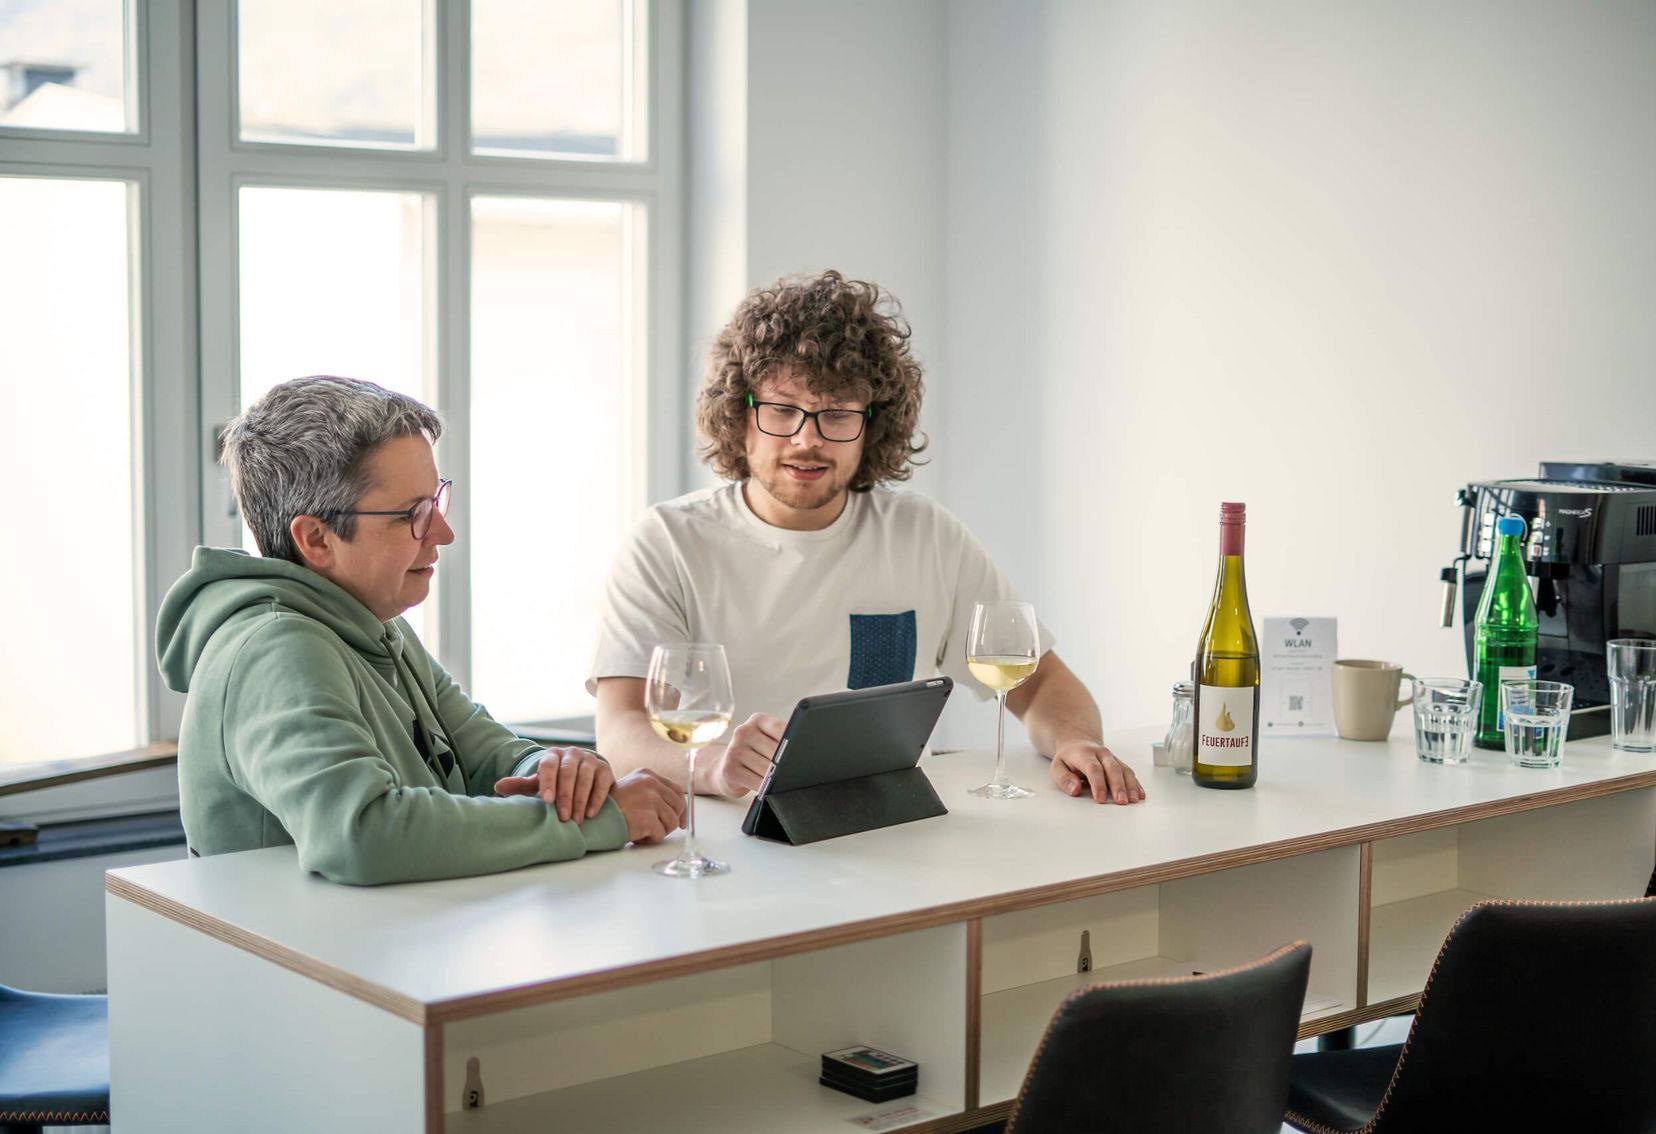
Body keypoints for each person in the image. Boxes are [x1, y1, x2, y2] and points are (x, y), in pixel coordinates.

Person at [590, 271, 1145, 806]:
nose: (808, 440)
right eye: (783, 411)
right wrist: (713, 768)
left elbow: (1041, 680)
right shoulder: (667, 542)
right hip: (728, 839)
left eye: (835, 415)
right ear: (740, 417)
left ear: (872, 425)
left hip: (893, 834)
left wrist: (1076, 741)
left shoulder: (926, 536)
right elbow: (620, 727)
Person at [157, 376, 685, 884]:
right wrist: (597, 819)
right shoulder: (273, 649)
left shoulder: (373, 624)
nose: (443, 532)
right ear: (316, 539)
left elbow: (488, 755)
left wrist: (560, 769)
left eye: (436, 502)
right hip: (296, 971)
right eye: (413, 513)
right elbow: (364, 834)